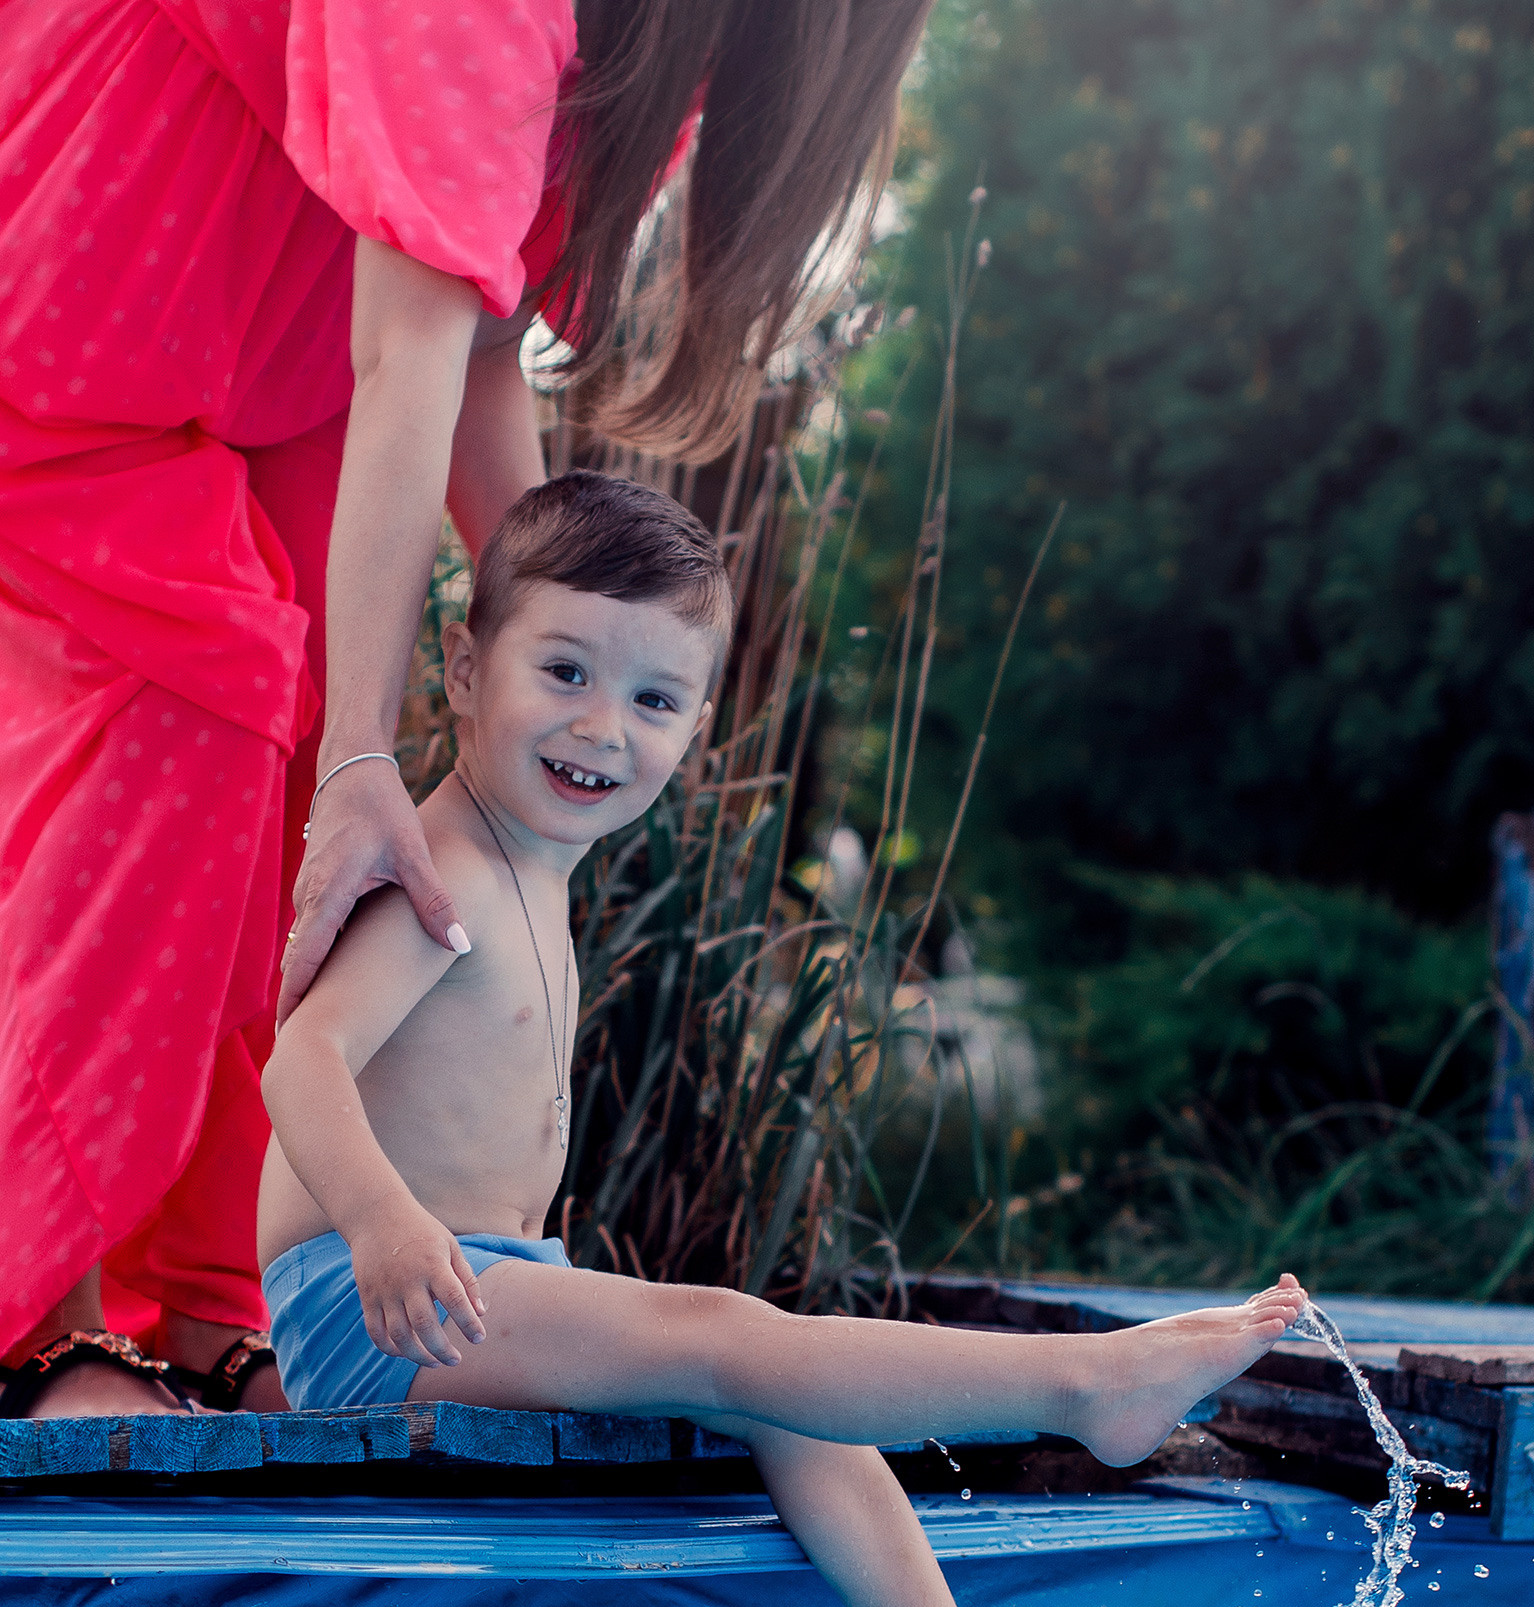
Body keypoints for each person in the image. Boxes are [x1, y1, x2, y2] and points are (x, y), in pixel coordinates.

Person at [257, 470, 1308, 1607]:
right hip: (377, 1296)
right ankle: (1090, 1384)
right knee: (728, 1332)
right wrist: (392, 1225)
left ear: (697, 725)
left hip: (476, 1280)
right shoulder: (445, 868)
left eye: (652, 700)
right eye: (563, 670)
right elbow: (304, 1060)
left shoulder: (535, 866)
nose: (600, 727)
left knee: (798, 1401)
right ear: (463, 670)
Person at [0, 0, 932, 1419]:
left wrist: (581, 676)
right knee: (200, 717)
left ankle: (196, 1311)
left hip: (280, 349)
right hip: (76, 299)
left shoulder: (642, 44)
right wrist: (376, 754)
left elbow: (481, 345)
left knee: (313, 793)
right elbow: (413, 360)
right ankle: (41, 1326)